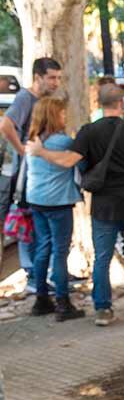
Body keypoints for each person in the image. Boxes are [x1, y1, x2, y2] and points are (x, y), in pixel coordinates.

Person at [26, 84, 124, 327]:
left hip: (104, 205)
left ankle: (103, 309)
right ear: (121, 102)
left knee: (102, 257)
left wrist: (41, 153)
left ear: (99, 104)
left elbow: (68, 161)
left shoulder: (88, 132)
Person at [0, 57, 62, 293]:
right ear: (38, 77)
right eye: (51, 78)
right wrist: (23, 151)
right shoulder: (26, 97)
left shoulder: (44, 99)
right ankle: (32, 276)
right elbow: (6, 125)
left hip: (39, 174)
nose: (56, 82)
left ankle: (41, 275)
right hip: (25, 176)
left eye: (58, 78)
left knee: (37, 229)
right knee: (26, 224)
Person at [23, 97, 85, 321]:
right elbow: (75, 161)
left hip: (37, 199)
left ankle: (41, 299)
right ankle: (63, 302)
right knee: (60, 251)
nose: (64, 117)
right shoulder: (62, 142)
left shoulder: (32, 139)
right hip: (58, 202)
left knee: (42, 248)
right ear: (52, 116)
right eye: (61, 113)